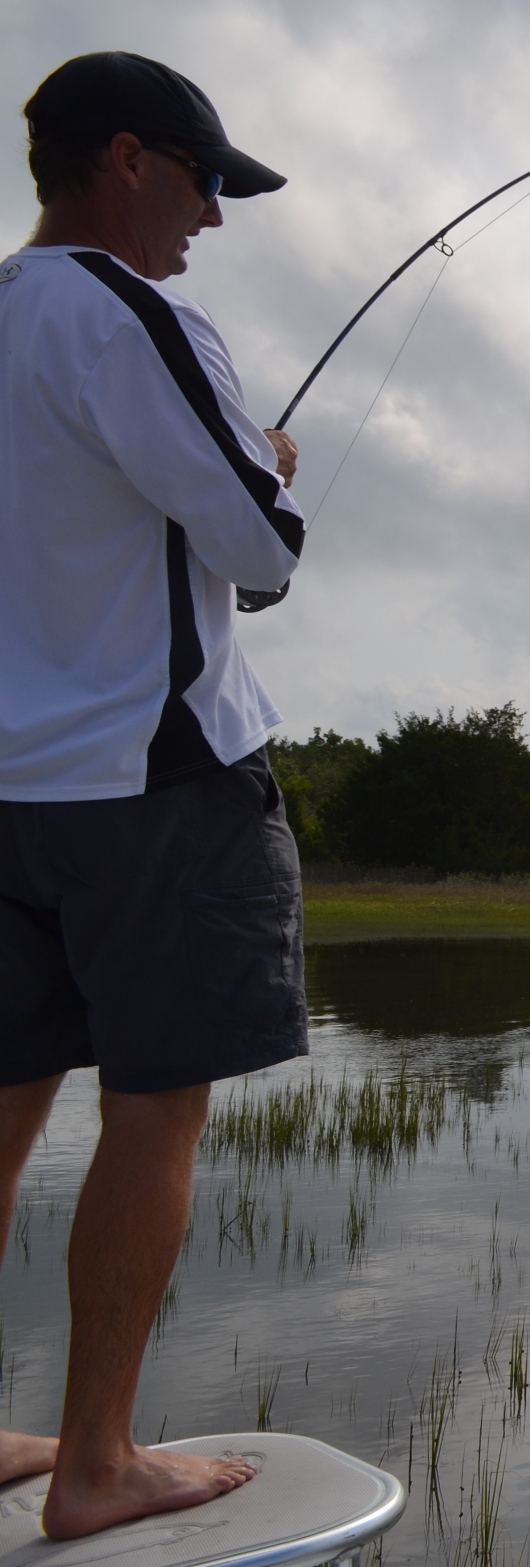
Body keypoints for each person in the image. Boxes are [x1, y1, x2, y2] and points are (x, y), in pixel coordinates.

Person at [0, 52, 309, 1541]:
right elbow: (260, 546)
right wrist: (272, 461)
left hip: (6, 800)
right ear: (128, 160)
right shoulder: (133, 315)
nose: (214, 217)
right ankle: (99, 1462)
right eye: (204, 182)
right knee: (154, 1113)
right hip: (152, 784)